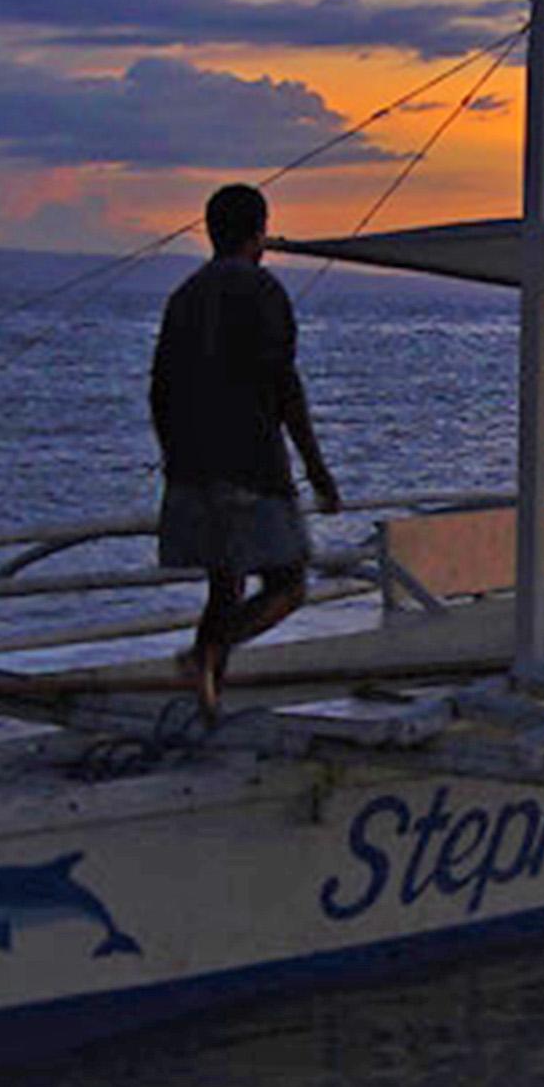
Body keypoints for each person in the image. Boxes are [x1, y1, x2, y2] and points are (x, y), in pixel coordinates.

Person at [152, 182, 338, 717]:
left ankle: (209, 701)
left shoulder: (184, 296)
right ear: (261, 232)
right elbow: (284, 385)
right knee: (287, 583)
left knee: (224, 583)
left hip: (190, 468)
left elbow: (159, 389)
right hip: (252, 468)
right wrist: (317, 469)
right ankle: (205, 655)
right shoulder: (262, 290)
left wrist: (174, 457)